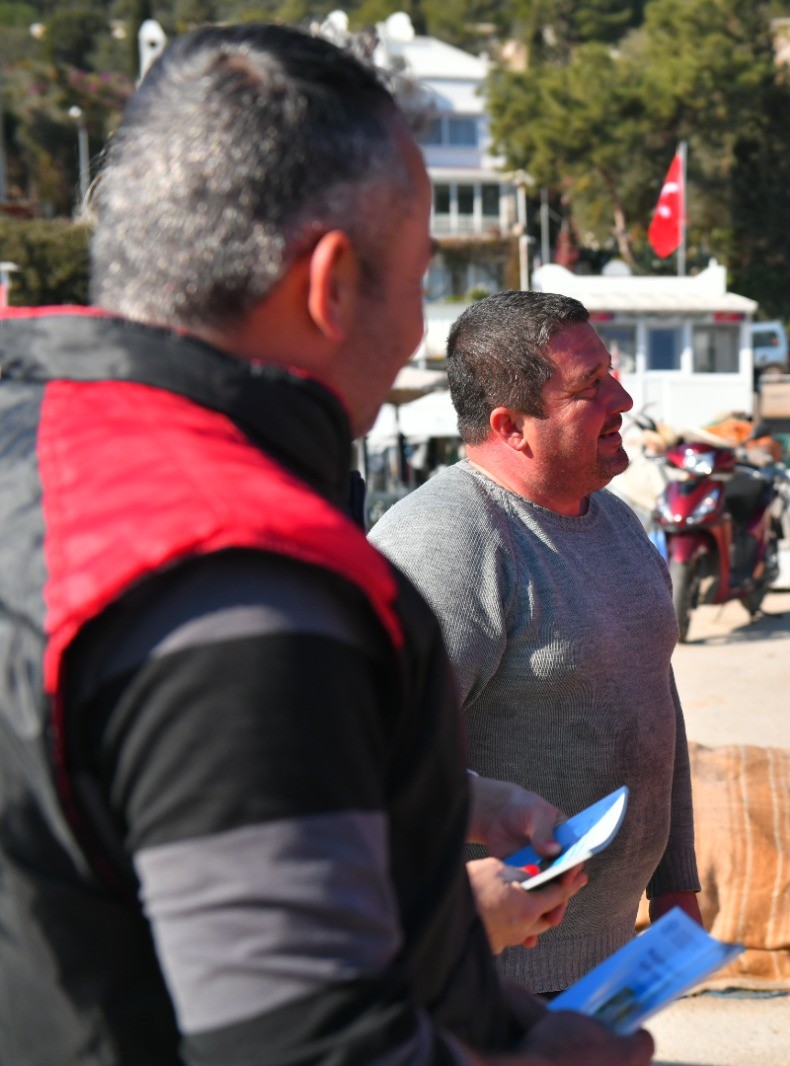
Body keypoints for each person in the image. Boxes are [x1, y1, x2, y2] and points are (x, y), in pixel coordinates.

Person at [0, 25, 648, 1066]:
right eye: (416, 276)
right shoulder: (238, 576)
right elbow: (301, 1040)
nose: (413, 335)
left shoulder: (40, 457)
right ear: (332, 282)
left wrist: (424, 797)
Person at [370, 290, 702, 996]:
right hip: (485, 986)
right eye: (591, 387)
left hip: (609, 966)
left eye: (610, 372)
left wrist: (677, 883)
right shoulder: (447, 545)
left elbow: (656, 696)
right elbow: (360, 756)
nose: (624, 397)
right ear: (511, 427)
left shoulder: (616, 521)